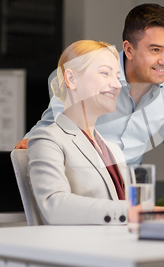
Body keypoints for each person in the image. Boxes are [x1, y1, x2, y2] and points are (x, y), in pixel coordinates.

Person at [16, 4, 164, 188]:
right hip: (79, 190)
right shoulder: (88, 74)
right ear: (129, 50)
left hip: (127, 192)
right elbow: (47, 128)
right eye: (155, 50)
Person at [27, 40, 127, 225]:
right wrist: (131, 211)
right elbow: (54, 206)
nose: (116, 84)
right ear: (71, 79)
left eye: (117, 76)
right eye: (105, 73)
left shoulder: (113, 149)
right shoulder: (48, 139)